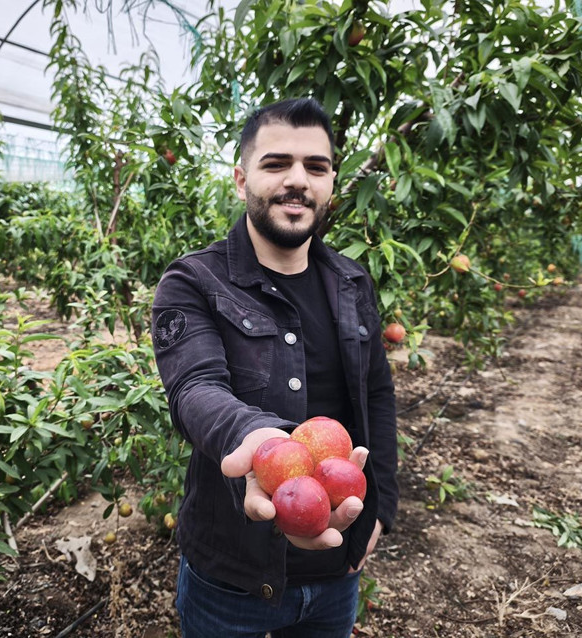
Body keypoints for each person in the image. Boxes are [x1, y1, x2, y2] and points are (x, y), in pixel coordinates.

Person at [151, 97, 398, 637]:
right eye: (275, 164)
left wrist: (383, 504)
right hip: (231, 571)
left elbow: (376, 391)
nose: (297, 181)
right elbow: (194, 387)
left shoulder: (354, 282)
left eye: (316, 167)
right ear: (241, 180)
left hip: (337, 567)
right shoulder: (194, 282)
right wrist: (262, 442)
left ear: (332, 182)